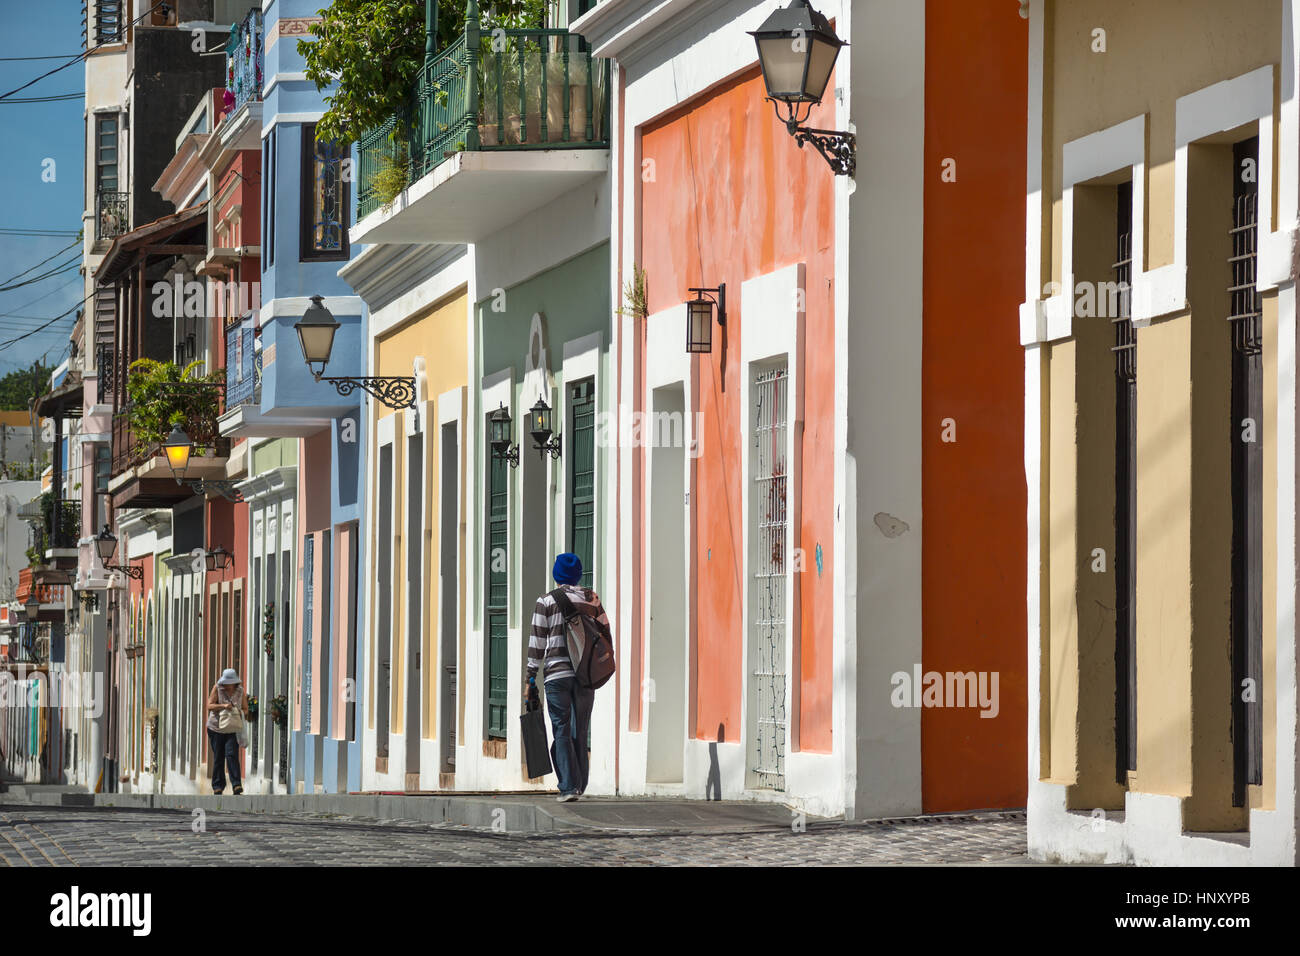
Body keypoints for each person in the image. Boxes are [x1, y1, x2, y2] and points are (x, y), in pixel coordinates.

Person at [527, 552, 610, 802]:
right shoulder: (591, 599)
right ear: (578, 574)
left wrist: (530, 677)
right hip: (585, 675)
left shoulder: (546, 601)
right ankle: (580, 785)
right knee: (581, 729)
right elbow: (605, 633)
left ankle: (567, 787)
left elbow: (537, 642)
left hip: (556, 674)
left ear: (556, 574)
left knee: (561, 729)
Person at [205, 668, 247, 795]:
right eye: (227, 683)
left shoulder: (240, 691)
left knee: (232, 755)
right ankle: (218, 786)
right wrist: (223, 706)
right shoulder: (217, 688)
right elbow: (209, 705)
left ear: (235, 683)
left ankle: (236, 785)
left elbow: (246, 709)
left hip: (232, 728)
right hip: (215, 728)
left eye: (231, 683)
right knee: (219, 756)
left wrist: (238, 712)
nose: (229, 686)